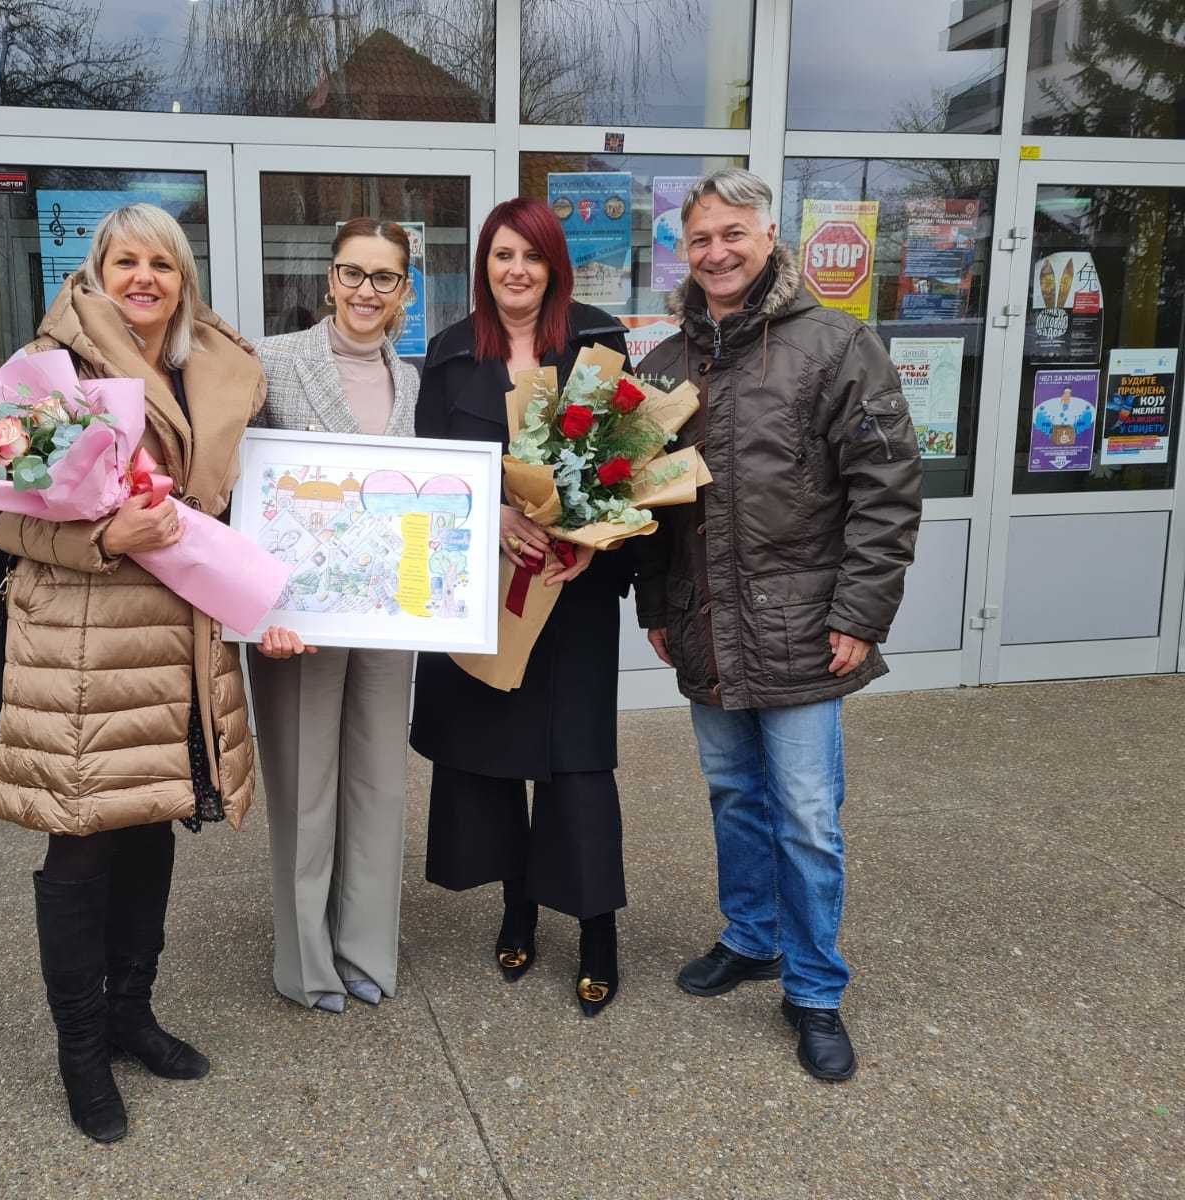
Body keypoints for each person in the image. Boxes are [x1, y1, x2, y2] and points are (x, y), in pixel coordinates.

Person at [0, 203, 267, 1142]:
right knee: (81, 843)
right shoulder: (49, 367)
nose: (145, 279)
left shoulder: (209, 362)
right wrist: (107, 535)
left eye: (164, 264)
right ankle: (80, 1048)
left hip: (181, 636)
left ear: (184, 280)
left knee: (149, 825)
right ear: (97, 270)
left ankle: (132, 1013)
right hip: (86, 642)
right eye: (127, 261)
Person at [631, 168, 922, 1081]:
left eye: (734, 234)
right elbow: (644, 502)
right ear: (684, 249)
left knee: (806, 815)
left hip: (805, 627)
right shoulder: (663, 363)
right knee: (733, 793)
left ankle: (816, 989)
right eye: (701, 238)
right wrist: (656, 605)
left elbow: (886, 489)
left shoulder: (835, 345)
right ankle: (751, 936)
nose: (717, 252)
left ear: (768, 237)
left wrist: (862, 613)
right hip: (704, 625)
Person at [412, 197, 632, 1017]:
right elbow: (431, 481)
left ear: (554, 267)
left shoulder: (599, 345)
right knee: (495, 759)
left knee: (577, 768)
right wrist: (491, 516)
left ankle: (598, 932)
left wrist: (594, 538)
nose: (516, 270)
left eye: (532, 256)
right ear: (484, 265)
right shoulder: (448, 356)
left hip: (572, 594)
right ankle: (518, 911)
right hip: (486, 593)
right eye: (502, 255)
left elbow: (632, 467)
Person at [247, 218, 421, 1014]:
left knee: (379, 783)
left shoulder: (408, 379)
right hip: (296, 622)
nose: (365, 290)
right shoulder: (271, 360)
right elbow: (237, 485)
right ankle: (307, 960)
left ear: (404, 290)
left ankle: (364, 949)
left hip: (385, 618)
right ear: (329, 279)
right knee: (305, 787)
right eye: (353, 273)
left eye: (384, 277)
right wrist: (255, 605)